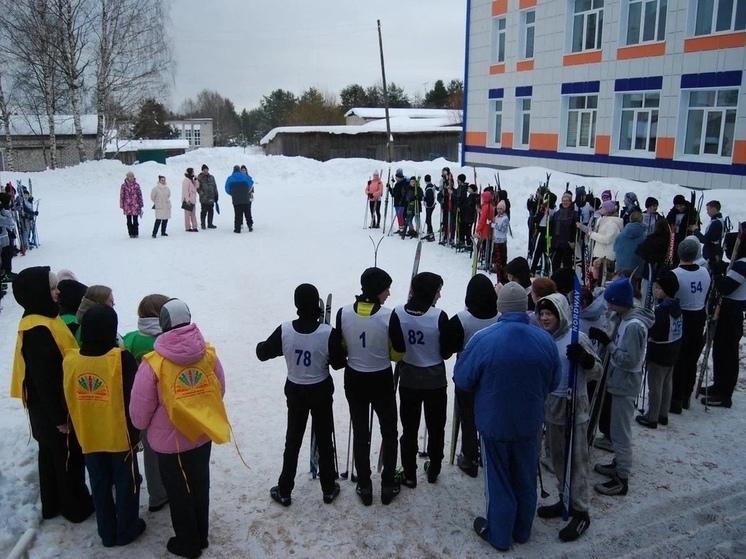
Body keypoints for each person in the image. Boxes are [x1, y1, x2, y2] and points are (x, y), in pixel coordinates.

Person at [454, 282, 561, 551]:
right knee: (525, 476)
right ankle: (523, 530)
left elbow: (463, 378)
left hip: (494, 422)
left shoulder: (484, 339)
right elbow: (555, 380)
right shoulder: (545, 340)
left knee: (499, 479)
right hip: (530, 422)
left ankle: (499, 535)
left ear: (500, 308)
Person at [130, 298, 229, 559]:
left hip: (168, 444)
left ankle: (188, 543)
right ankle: (201, 535)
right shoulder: (208, 354)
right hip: (201, 433)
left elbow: (140, 411)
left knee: (178, 491)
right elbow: (219, 389)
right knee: (199, 484)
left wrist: (142, 428)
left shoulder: (153, 363)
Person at [10, 266, 95, 523]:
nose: (58, 292)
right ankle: (75, 507)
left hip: (42, 406)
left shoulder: (38, 317)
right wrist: (60, 416)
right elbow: (45, 379)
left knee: (49, 455)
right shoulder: (39, 329)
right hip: (52, 406)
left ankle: (52, 504)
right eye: (52, 288)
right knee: (67, 457)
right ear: (40, 292)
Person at [62, 304, 146, 547]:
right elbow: (134, 395)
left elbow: (67, 393)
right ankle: (127, 529)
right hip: (119, 435)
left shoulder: (71, 359)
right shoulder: (121, 359)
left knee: (98, 482)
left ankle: (106, 532)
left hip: (88, 434)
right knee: (126, 482)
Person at [256, 284, 346, 506]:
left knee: (293, 440)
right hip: (321, 391)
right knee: (325, 440)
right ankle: (327, 488)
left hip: (296, 391)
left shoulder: (285, 330)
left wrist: (263, 346)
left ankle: (285, 489)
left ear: (296, 304)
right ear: (317, 304)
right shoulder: (327, 333)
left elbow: (263, 353)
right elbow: (339, 364)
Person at [336, 268, 405, 505]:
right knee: (389, 431)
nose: (388, 293)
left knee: (361, 431)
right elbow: (398, 353)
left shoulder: (343, 313)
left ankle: (364, 485)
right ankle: (387, 484)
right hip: (380, 379)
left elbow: (341, 346)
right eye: (386, 288)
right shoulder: (389, 316)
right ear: (377, 290)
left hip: (354, 378)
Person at [534, 294, 601, 542]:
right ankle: (565, 498)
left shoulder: (577, 338)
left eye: (549, 313)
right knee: (557, 459)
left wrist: (585, 360)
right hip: (552, 405)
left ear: (560, 313)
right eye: (541, 314)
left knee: (577, 460)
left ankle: (580, 510)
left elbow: (598, 371)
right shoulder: (543, 339)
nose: (544, 318)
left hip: (575, 405)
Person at [588, 278, 654, 496]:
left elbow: (629, 359)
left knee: (620, 431)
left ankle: (622, 478)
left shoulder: (634, 326)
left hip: (625, 384)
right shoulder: (624, 317)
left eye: (610, 302)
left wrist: (609, 344)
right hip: (618, 380)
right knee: (617, 429)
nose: (607, 306)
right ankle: (618, 463)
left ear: (619, 302)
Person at [392, 272, 452, 486]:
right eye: (438, 291)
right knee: (436, 427)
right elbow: (445, 352)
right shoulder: (438, 316)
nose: (440, 296)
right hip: (434, 380)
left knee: (409, 428)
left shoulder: (398, 312)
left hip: (409, 378)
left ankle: (409, 472)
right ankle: (434, 467)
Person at [443, 274, 498, 477]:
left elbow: (447, 348)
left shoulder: (461, 320)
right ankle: (487, 453)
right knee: (489, 415)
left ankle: (470, 455)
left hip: (467, 378)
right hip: (492, 378)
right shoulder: (500, 317)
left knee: (468, 418)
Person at [122, 294, 171, 513]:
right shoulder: (168, 341)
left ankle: (157, 495)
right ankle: (175, 489)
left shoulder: (130, 339)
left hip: (141, 406)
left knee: (150, 453)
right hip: (168, 405)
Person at [703, 222, 746, 408]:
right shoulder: (739, 263)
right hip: (729, 309)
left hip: (732, 310)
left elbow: (726, 287)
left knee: (727, 353)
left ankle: (724, 393)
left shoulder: (742, 264)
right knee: (720, 350)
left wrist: (718, 272)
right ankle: (719, 385)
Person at [666, 236, 710, 412]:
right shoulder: (704, 272)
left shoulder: (675, 274)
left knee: (679, 358)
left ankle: (676, 397)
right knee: (691, 357)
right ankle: (686, 394)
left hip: (681, 315)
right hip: (698, 315)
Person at [635, 275, 682, 428]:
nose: (655, 290)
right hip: (673, 350)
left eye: (659, 288)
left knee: (655, 386)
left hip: (659, 352)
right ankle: (663, 414)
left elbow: (655, 331)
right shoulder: (677, 306)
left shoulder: (662, 310)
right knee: (667, 383)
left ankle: (652, 417)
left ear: (666, 291)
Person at [578, 201, 623, 287]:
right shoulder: (602, 220)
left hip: (606, 255)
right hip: (599, 253)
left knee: (603, 278)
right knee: (597, 275)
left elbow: (607, 239)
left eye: (602, 207)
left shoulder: (613, 223)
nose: (600, 209)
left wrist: (591, 234)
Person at [613, 211, 646, 285]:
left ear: (630, 219)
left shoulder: (620, 235)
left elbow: (614, 249)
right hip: (637, 269)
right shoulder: (644, 236)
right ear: (641, 221)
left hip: (621, 267)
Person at [549, 192, 577, 272]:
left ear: (570, 202)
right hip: (557, 243)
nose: (565, 202)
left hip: (568, 244)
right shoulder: (556, 214)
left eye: (567, 201)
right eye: (563, 200)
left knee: (567, 265)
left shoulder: (574, 214)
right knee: (555, 264)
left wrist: (574, 241)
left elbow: (575, 229)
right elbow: (553, 228)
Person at [666, 194, 696, 266]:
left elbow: (696, 225)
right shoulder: (672, 213)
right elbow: (667, 223)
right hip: (674, 239)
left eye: (681, 206)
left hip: (685, 238)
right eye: (677, 206)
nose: (679, 208)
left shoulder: (691, 213)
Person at [694, 200, 726, 267]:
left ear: (714, 209)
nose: (707, 212)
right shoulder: (720, 220)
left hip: (711, 254)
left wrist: (696, 230)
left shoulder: (716, 223)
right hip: (715, 251)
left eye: (708, 210)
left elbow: (705, 240)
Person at [225, 165, 255, 233]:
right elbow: (251, 183)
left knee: (237, 214)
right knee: (247, 212)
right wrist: (247, 191)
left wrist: (232, 194)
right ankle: (250, 225)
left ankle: (237, 228)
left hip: (236, 199)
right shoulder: (244, 176)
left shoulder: (230, 178)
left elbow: (227, 189)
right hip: (245, 198)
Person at [491, 200, 511, 282]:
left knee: (501, 262)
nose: (499, 210)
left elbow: (503, 229)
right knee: (497, 262)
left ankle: (503, 279)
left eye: (501, 209)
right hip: (496, 241)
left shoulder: (505, 218)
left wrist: (494, 225)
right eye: (498, 209)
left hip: (502, 242)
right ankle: (499, 279)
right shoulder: (497, 217)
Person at [120, 171, 143, 238]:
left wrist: (141, 204)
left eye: (132, 176)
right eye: (130, 176)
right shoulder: (124, 186)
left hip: (135, 205)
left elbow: (140, 195)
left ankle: (136, 233)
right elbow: (122, 195)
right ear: (127, 177)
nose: (131, 178)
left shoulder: (136, 185)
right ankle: (131, 233)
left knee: (135, 221)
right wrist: (122, 204)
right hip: (127, 206)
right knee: (129, 221)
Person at [0, 192, 17, 281]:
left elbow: (11, 222)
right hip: (3, 237)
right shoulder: (4, 211)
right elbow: (8, 222)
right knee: (4, 256)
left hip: (5, 236)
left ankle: (7, 272)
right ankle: (4, 274)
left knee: (8, 254)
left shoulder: (5, 209)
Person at [196, 164, 218, 230]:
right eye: (204, 170)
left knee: (211, 211)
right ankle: (203, 224)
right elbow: (197, 188)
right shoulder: (199, 178)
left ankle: (210, 223)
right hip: (204, 198)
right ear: (202, 170)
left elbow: (215, 186)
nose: (205, 171)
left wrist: (216, 195)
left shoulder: (212, 177)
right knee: (204, 211)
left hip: (211, 197)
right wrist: (201, 193)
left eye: (206, 169)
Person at [389, 168, 407, 235]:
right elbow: (393, 194)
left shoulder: (404, 184)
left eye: (397, 177)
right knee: (398, 216)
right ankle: (400, 228)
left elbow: (402, 193)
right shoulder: (397, 184)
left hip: (401, 203)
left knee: (400, 215)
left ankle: (403, 229)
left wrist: (401, 198)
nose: (396, 179)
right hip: (396, 202)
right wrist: (390, 188)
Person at [182, 167, 199, 232]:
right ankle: (187, 227)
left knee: (193, 214)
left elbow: (197, 186)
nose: (193, 173)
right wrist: (187, 199)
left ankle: (195, 227)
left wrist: (196, 180)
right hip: (188, 200)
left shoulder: (192, 179)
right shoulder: (186, 180)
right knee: (187, 215)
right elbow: (185, 190)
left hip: (193, 200)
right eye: (192, 172)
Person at [422, 174, 437, 241]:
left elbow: (429, 198)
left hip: (429, 206)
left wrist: (423, 198)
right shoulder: (431, 186)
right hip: (431, 205)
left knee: (428, 220)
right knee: (428, 219)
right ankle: (429, 232)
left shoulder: (428, 188)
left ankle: (431, 234)